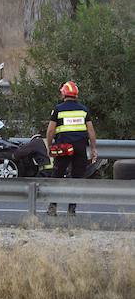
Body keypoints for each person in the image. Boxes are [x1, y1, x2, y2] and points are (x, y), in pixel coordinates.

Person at [45, 81, 97, 217]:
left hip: (63, 148)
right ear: (76, 95)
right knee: (77, 178)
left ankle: (52, 207)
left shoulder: (58, 109)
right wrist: (93, 149)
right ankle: (72, 209)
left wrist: (49, 146)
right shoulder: (84, 110)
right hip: (80, 148)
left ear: (63, 93)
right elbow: (91, 131)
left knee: (57, 176)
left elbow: (50, 131)